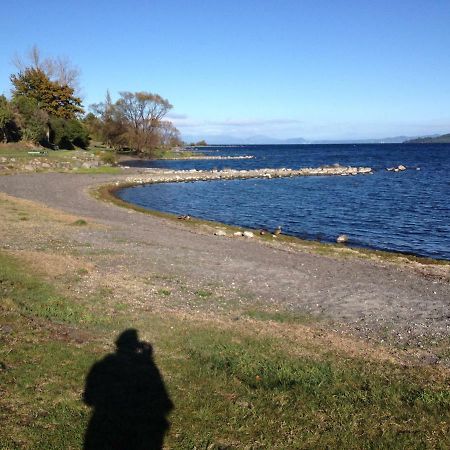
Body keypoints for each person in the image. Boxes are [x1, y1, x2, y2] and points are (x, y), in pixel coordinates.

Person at [83, 329, 173, 450]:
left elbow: (88, 398)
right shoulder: (147, 368)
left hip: (106, 427)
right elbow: (164, 403)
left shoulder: (104, 365)